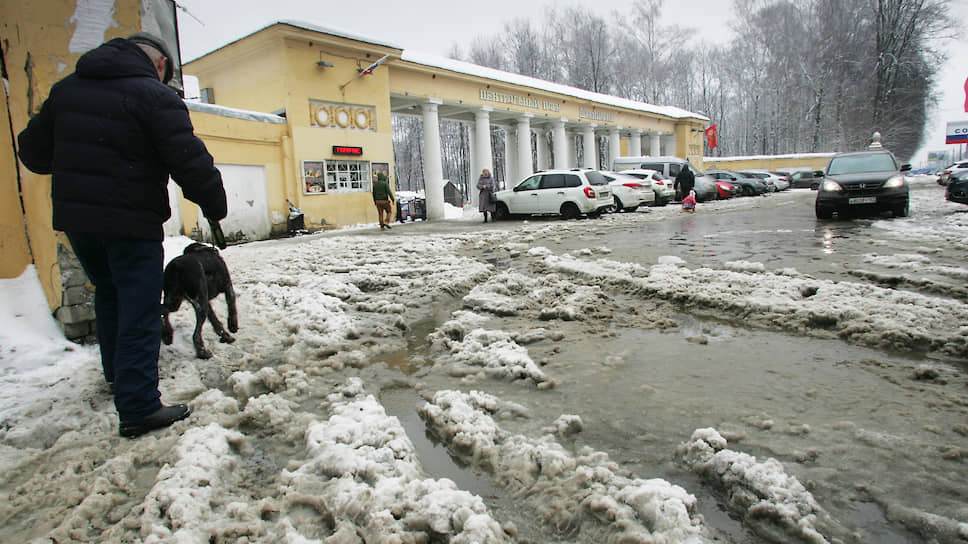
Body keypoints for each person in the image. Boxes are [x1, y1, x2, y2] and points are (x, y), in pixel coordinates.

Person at [17, 32, 227, 439]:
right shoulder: (154, 95)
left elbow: (32, 151)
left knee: (109, 292)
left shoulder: (67, 91)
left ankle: (117, 376)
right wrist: (214, 205)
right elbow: (188, 157)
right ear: (161, 64)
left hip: (79, 221)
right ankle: (138, 407)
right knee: (138, 305)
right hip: (131, 219)